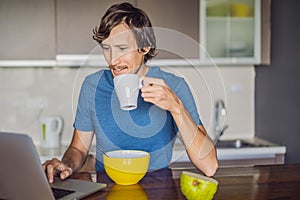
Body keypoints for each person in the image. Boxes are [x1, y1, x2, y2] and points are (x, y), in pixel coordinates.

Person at [42, 2, 218, 183]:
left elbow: (209, 166)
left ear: (145, 46)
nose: (113, 60)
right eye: (106, 48)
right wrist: (66, 165)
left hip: (158, 190)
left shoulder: (174, 86)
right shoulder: (92, 85)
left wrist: (176, 107)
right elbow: (78, 149)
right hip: (105, 189)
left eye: (122, 48)